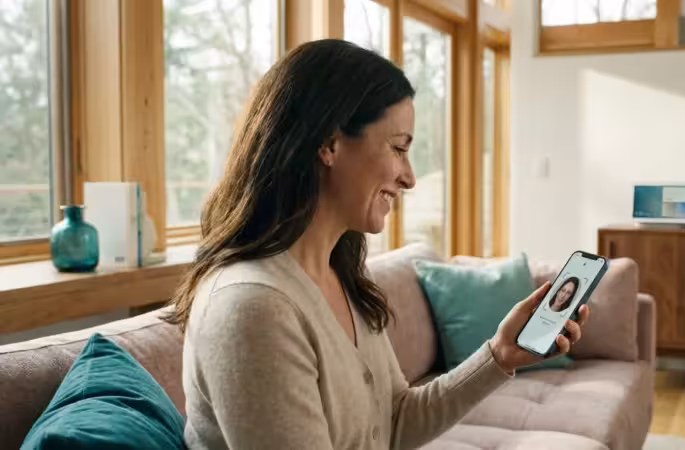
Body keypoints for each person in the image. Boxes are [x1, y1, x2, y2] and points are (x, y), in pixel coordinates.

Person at [163, 39, 589, 450]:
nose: (410, 177)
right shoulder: (252, 307)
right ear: (329, 144)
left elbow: (394, 421)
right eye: (398, 148)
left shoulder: (340, 274)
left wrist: (499, 355)